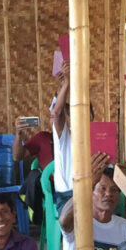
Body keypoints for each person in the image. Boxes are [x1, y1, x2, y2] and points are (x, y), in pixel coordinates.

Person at [51, 62, 74, 215]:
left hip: (91, 191)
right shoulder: (64, 136)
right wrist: (66, 84)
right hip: (67, 195)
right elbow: (56, 113)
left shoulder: (94, 137)